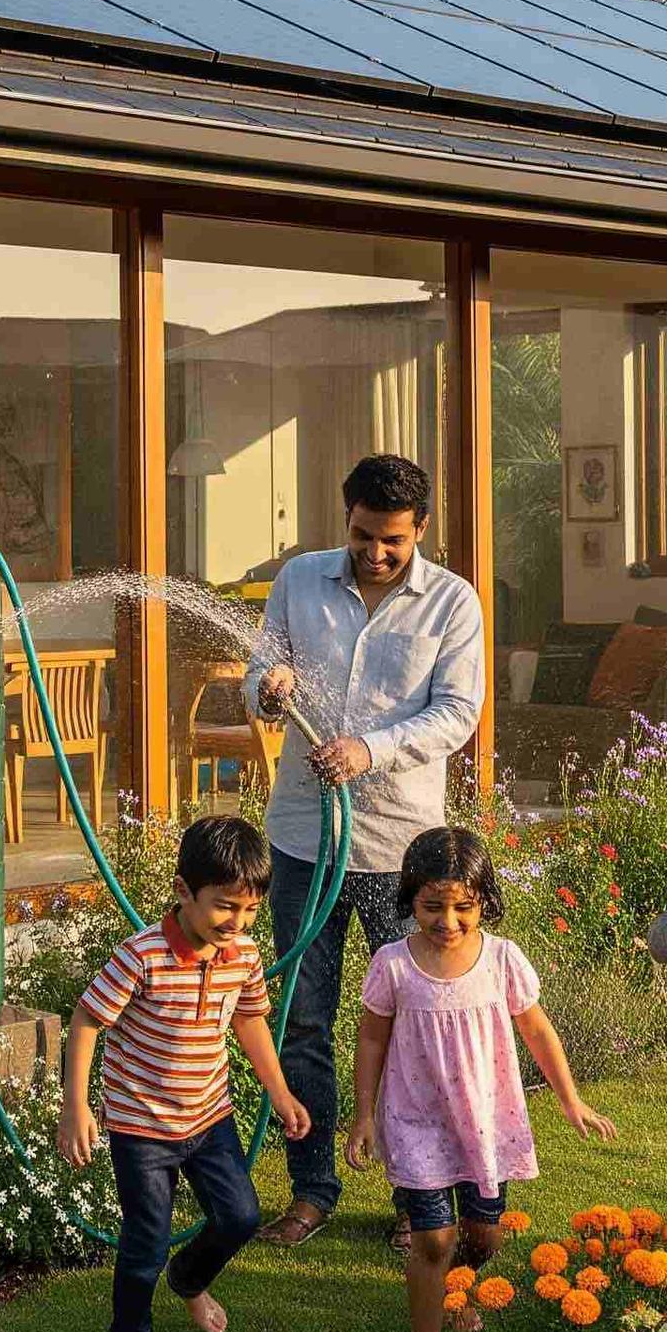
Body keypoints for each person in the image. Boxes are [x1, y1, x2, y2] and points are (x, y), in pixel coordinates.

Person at [243, 452, 485, 1251]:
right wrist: (267, 686)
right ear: (344, 518)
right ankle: (312, 1190)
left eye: (392, 541)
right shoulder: (299, 580)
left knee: (416, 1021)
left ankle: (423, 1200)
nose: (375, 554)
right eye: (362, 536)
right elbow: (257, 673)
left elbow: (457, 714)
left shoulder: (452, 603)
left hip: (396, 850)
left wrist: (368, 750)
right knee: (302, 1020)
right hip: (305, 841)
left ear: (420, 531)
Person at [346, 825, 617, 1332]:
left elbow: (537, 1030)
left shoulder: (502, 959)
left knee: (484, 1237)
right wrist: (363, 1115)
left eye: (463, 907)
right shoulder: (393, 964)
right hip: (416, 1120)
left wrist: (571, 1101)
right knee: (433, 1240)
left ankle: (459, 1285)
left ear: (483, 900)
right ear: (409, 901)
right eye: (432, 907)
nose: (448, 921)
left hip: (487, 1123)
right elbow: (370, 1040)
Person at [57, 815, 310, 1332]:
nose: (237, 922)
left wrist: (281, 1090)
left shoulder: (242, 955)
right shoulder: (141, 956)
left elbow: (249, 1022)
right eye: (224, 906)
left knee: (241, 1216)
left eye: (249, 910)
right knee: (147, 1235)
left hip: (208, 1115)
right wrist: (75, 1106)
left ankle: (189, 1279)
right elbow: (85, 1021)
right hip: (141, 1124)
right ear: (182, 891)